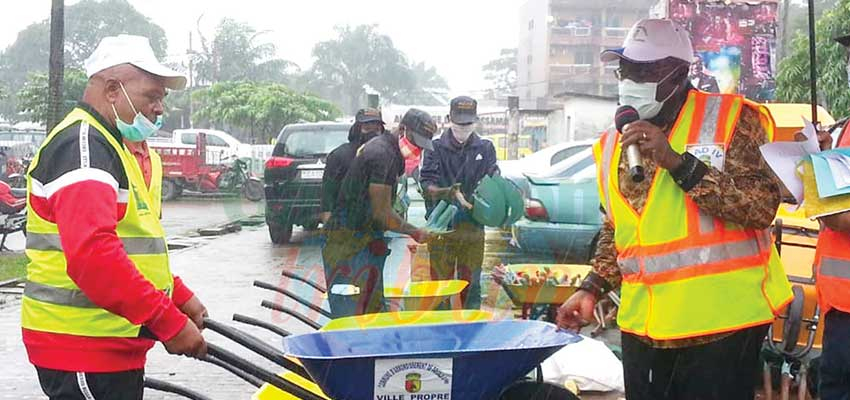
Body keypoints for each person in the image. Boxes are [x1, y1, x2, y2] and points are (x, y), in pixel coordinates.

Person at [556, 19, 791, 400]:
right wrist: (592, 287)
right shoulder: (612, 143)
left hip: (722, 325)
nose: (631, 79)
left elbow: (761, 206)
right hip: (644, 327)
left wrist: (677, 162)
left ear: (679, 73)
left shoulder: (733, 120)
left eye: (646, 70)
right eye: (626, 70)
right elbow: (619, 228)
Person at [21, 35, 207, 399]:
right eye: (151, 96)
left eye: (161, 100)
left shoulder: (111, 146)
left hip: (107, 341)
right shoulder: (84, 147)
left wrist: (178, 295)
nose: (158, 109)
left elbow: (129, 246)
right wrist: (167, 322)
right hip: (82, 344)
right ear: (111, 90)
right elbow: (94, 257)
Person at [322, 108, 436, 317]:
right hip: (346, 245)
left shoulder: (391, 153)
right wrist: (415, 232)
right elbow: (382, 212)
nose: (418, 150)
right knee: (352, 315)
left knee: (372, 309)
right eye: (416, 142)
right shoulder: (382, 154)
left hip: (365, 239)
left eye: (422, 146)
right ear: (402, 129)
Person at [802, 32, 850, 400]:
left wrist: (816, 174)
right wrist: (821, 154)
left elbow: (839, 217)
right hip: (839, 305)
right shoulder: (847, 128)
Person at [419, 96, 499, 310]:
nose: (463, 128)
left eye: (468, 124)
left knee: (470, 283)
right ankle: (439, 330)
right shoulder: (434, 147)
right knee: (440, 286)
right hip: (441, 228)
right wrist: (446, 193)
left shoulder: (485, 148)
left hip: (472, 228)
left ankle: (471, 332)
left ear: (476, 121)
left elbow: (493, 178)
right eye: (459, 123)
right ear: (449, 119)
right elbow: (426, 182)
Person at [320, 108, 385, 223]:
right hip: (345, 220)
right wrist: (328, 222)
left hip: (374, 222)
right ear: (357, 129)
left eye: (376, 129)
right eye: (367, 128)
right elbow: (328, 192)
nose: (372, 133)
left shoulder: (386, 156)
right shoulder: (338, 155)